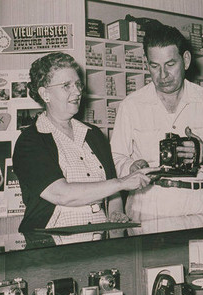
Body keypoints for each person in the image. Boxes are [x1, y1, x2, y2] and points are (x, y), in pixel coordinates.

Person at [13, 52, 156, 234]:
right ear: (45, 93)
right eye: (66, 86)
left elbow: (112, 192)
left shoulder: (93, 134)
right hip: (51, 247)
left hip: (97, 243)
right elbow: (61, 194)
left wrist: (116, 213)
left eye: (78, 84)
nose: (77, 91)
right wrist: (122, 183)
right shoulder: (30, 141)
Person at [110, 24, 203, 221]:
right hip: (147, 205)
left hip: (199, 204)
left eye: (170, 64)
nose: (163, 75)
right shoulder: (131, 106)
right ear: (146, 64)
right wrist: (131, 167)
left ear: (185, 60)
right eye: (155, 66)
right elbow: (115, 158)